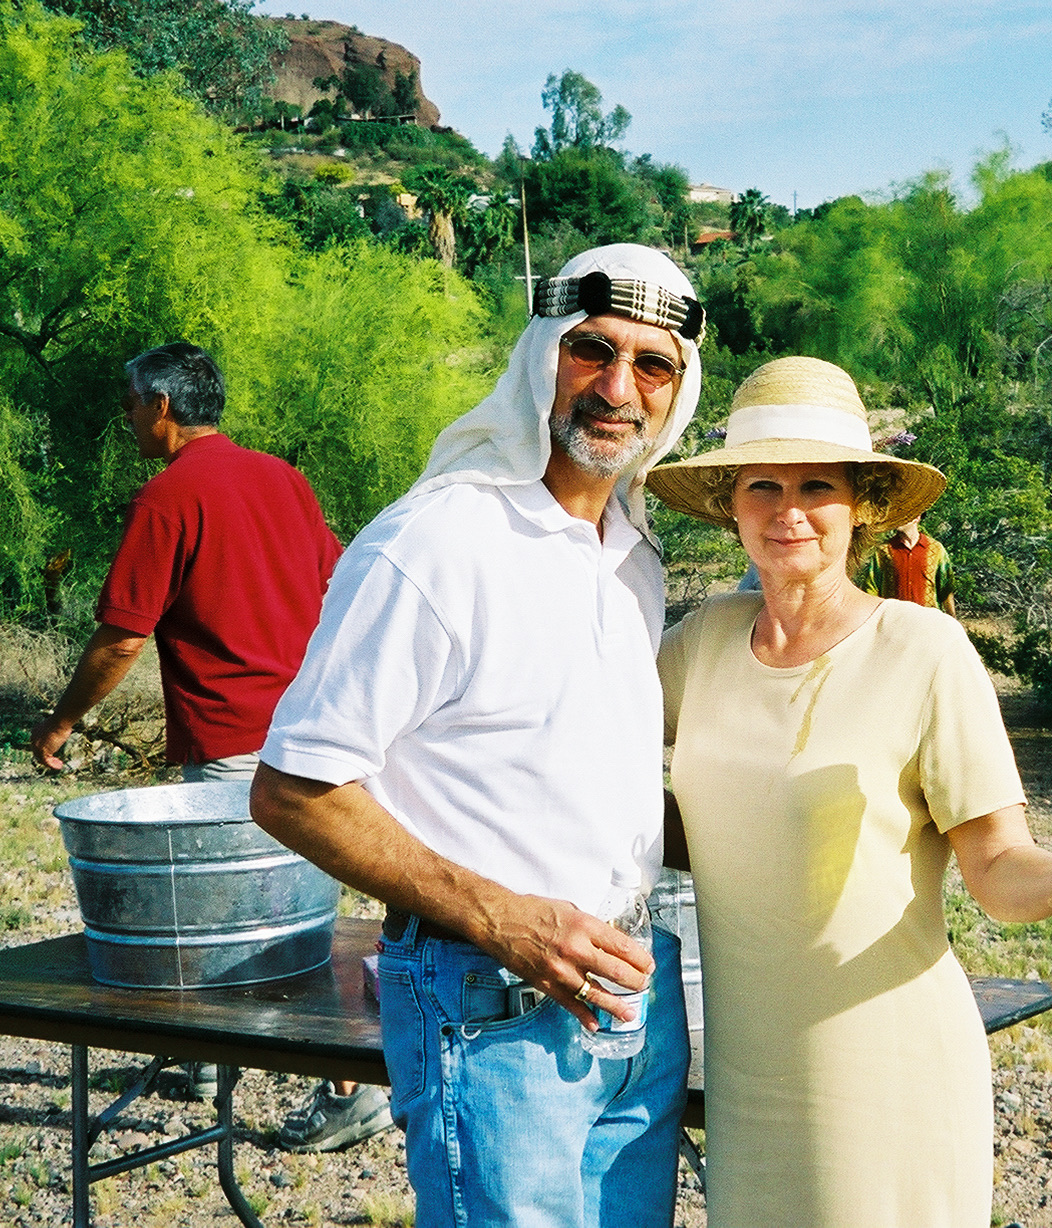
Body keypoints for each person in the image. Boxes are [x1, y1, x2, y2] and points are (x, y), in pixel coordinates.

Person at [645, 356, 1052, 1228]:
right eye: (763, 485)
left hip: (883, 1068)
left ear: (860, 506)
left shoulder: (923, 651)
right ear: (731, 502)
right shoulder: (701, 641)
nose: (789, 510)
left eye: (817, 484)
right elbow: (594, 762)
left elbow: (999, 868)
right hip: (746, 1072)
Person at [250, 244, 705, 1228]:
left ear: (680, 389)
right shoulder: (439, 543)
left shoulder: (631, 553)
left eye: (652, 364)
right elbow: (293, 788)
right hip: (488, 1003)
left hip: (634, 997)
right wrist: (501, 917)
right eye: (593, 350)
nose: (618, 388)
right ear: (543, 353)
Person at [25, 344, 382, 1149]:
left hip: (233, 739)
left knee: (256, 919)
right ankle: (200, 1057)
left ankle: (349, 1087)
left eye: (129, 403)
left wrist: (62, 720)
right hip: (314, 731)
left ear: (160, 407)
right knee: (294, 904)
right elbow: (340, 579)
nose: (126, 419)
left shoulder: (167, 497)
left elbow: (121, 639)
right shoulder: (282, 478)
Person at [857, 516, 956, 615]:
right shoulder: (883, 551)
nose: (897, 519)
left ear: (916, 518)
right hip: (895, 622)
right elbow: (871, 588)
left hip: (927, 623)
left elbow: (946, 589)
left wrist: (953, 620)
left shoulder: (936, 549)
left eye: (903, 515)